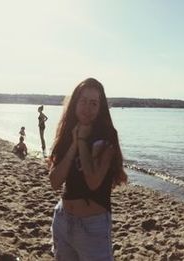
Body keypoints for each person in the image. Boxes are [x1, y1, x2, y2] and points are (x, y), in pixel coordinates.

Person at [47, 78, 128, 260]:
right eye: (83, 101)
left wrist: (82, 141)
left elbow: (93, 182)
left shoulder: (106, 136)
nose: (87, 108)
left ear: (100, 108)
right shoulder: (67, 133)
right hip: (62, 220)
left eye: (94, 103)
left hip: (93, 226)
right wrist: (74, 143)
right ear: (75, 103)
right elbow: (54, 181)